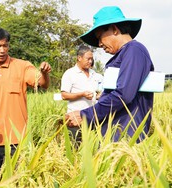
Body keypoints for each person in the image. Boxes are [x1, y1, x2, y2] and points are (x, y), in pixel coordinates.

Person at [0, 28, 51, 179]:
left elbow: (42, 83)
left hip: (19, 138)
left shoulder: (22, 66)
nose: (2, 50)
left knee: (20, 179)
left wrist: (45, 73)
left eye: (5, 46)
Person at [66, 6, 154, 143]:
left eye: (100, 37)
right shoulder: (124, 54)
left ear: (114, 29)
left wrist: (86, 115)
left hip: (126, 137)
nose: (100, 44)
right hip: (112, 135)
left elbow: (123, 94)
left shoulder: (134, 51)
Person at [61, 45, 103, 147]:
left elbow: (101, 92)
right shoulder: (70, 74)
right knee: (75, 150)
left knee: (94, 149)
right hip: (76, 119)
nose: (90, 61)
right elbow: (64, 95)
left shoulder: (96, 75)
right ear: (79, 58)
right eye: (88, 59)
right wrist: (82, 94)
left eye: (91, 59)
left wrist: (100, 96)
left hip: (93, 119)